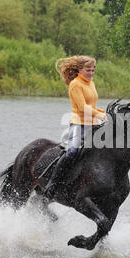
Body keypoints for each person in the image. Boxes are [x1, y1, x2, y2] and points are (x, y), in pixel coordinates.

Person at [44, 55, 107, 198]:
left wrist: (105, 113)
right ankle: (52, 183)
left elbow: (92, 106)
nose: (91, 73)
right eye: (88, 70)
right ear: (79, 69)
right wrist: (100, 115)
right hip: (79, 123)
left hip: (94, 124)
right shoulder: (75, 84)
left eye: (93, 70)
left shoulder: (91, 83)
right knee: (73, 152)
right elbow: (83, 107)